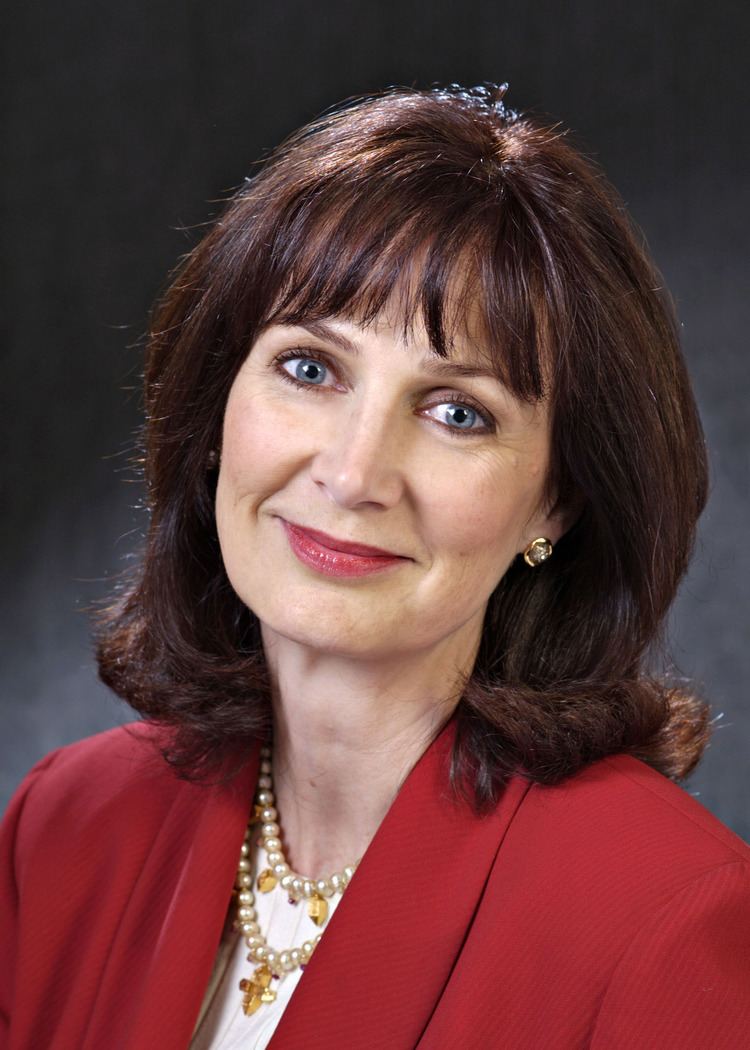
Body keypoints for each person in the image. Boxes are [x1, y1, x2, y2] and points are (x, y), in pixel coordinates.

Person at [1, 81, 748, 1050]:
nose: (354, 474)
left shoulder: (666, 924)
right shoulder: (67, 828)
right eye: (311, 369)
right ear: (219, 404)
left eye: (457, 413)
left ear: (556, 503)